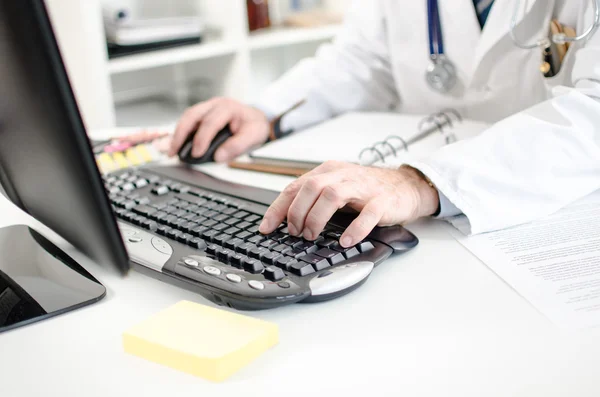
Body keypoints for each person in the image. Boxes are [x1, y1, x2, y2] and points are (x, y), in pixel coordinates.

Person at [169, 0, 600, 247]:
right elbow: (362, 61)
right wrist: (265, 113)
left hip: (558, 214)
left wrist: (421, 183)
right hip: (438, 231)